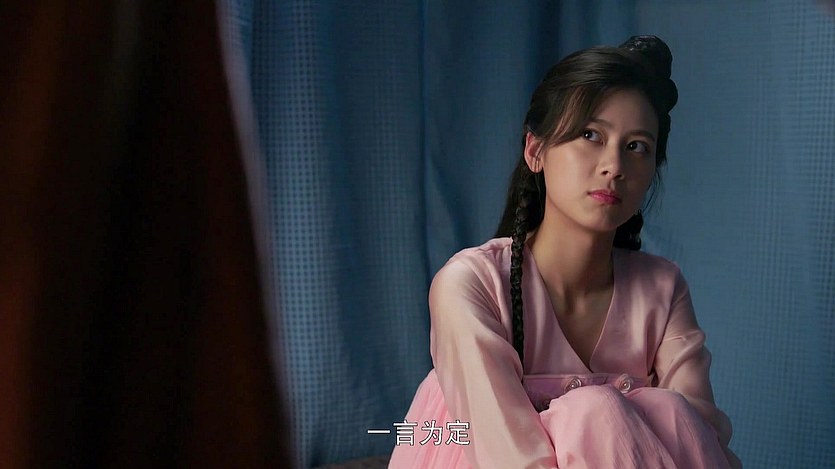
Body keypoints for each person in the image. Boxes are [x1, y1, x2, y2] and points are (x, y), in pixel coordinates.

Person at [388, 36, 741, 468]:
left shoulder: (662, 288)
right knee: (595, 411)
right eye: (590, 135)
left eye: (636, 146)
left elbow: (698, 440)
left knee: (668, 410)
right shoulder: (471, 283)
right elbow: (507, 456)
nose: (614, 166)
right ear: (536, 150)